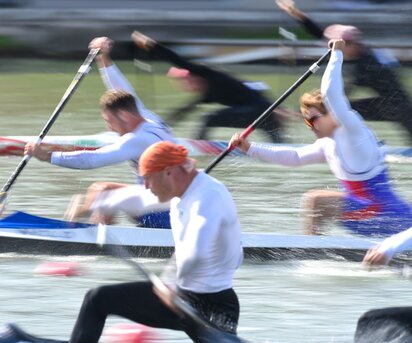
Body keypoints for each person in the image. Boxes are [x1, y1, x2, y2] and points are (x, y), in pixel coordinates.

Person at [69, 141, 244, 343]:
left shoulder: (209, 197)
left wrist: (171, 283)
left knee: (96, 299)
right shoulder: (183, 189)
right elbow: (140, 198)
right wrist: (96, 203)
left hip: (211, 306)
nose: (146, 185)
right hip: (185, 297)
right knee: (98, 299)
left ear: (169, 171)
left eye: (148, 178)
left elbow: (196, 250)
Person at [230, 39, 412, 237]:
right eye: (307, 122)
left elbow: (331, 93)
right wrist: (249, 148)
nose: (310, 127)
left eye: (313, 120)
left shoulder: (352, 130)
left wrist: (337, 54)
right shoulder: (327, 143)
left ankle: (308, 253)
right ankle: (315, 252)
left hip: (389, 217)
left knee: (316, 200)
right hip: (368, 216)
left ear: (333, 114)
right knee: (318, 202)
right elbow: (295, 157)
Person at [24, 36, 174, 227]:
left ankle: (87, 239)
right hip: (160, 201)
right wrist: (104, 58)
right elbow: (121, 89)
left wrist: (46, 156)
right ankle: (94, 234)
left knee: (103, 192)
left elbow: (93, 160)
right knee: (102, 191)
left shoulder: (139, 139)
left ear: (125, 116)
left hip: (168, 215)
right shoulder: (148, 117)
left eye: (109, 121)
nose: (109, 127)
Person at [276, 0, 412, 142]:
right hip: (391, 103)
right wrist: (296, 13)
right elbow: (319, 32)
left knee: (341, 109)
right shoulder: (357, 49)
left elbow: (340, 95)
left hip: (399, 108)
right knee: (342, 109)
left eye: (337, 46)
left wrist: (309, 109)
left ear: (348, 44)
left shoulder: (367, 64)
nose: (335, 50)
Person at [131, 31, 286, 143]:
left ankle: (201, 147)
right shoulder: (208, 94)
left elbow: (178, 60)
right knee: (280, 147)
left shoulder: (207, 73)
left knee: (209, 119)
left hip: (262, 110)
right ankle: (202, 146)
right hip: (263, 113)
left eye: (186, 81)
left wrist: (151, 45)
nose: (186, 86)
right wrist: (158, 130)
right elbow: (183, 111)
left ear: (192, 75)